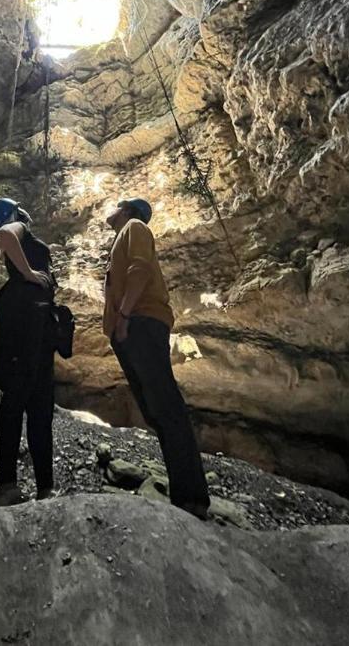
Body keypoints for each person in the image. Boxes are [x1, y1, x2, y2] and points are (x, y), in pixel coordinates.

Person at [103, 198, 210, 519]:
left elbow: (140, 268)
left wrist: (123, 315)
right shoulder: (124, 234)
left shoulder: (135, 227)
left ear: (128, 211)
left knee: (166, 407)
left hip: (141, 322)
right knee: (157, 412)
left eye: (117, 205)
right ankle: (185, 496)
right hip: (133, 326)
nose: (112, 210)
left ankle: (192, 498)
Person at [0, 197, 56, 507]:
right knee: (20, 404)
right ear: (14, 212)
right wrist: (28, 273)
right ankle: (22, 486)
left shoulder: (25, 234)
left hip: (35, 330)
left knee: (36, 406)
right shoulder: (19, 227)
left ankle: (30, 487)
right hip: (26, 330)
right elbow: (4, 237)